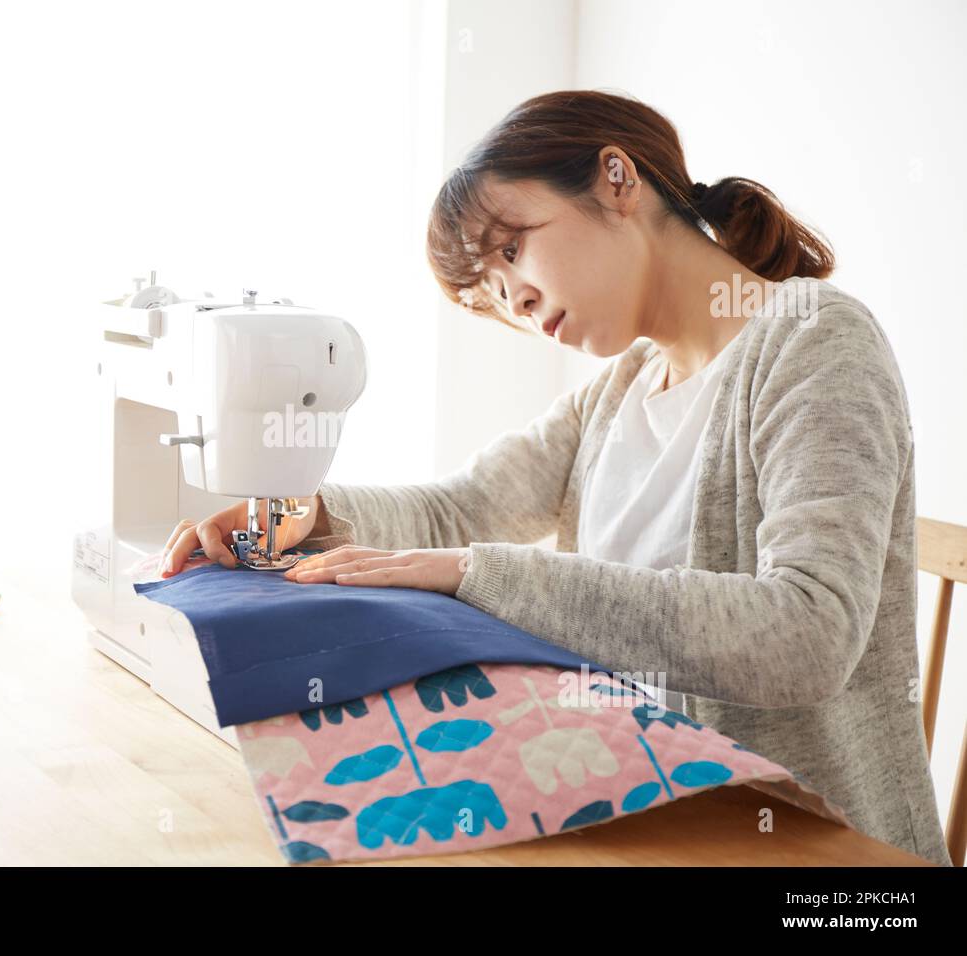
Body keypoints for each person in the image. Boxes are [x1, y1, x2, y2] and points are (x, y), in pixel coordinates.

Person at [157, 90, 952, 866]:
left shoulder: (812, 340)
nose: (518, 298)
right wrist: (309, 513)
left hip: (820, 851)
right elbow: (459, 509)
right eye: (496, 295)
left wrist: (481, 575)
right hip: (652, 815)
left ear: (617, 178)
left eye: (511, 250)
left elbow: (806, 636)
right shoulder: (616, 395)